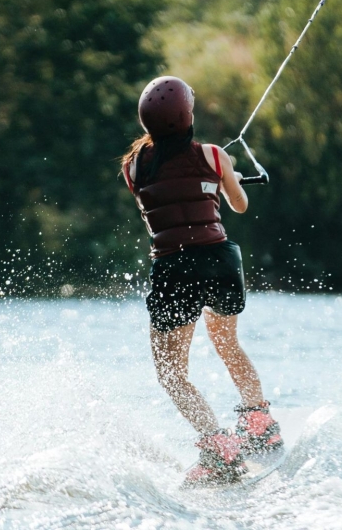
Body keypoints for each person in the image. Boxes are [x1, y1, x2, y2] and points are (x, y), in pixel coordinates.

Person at [121, 76, 282, 486]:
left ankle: (218, 448)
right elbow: (239, 206)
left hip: (175, 269)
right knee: (226, 342)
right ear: (189, 115)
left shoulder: (133, 166)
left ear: (147, 124)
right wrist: (229, 175)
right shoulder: (213, 155)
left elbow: (162, 198)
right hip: (220, 263)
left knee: (172, 374)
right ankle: (259, 421)